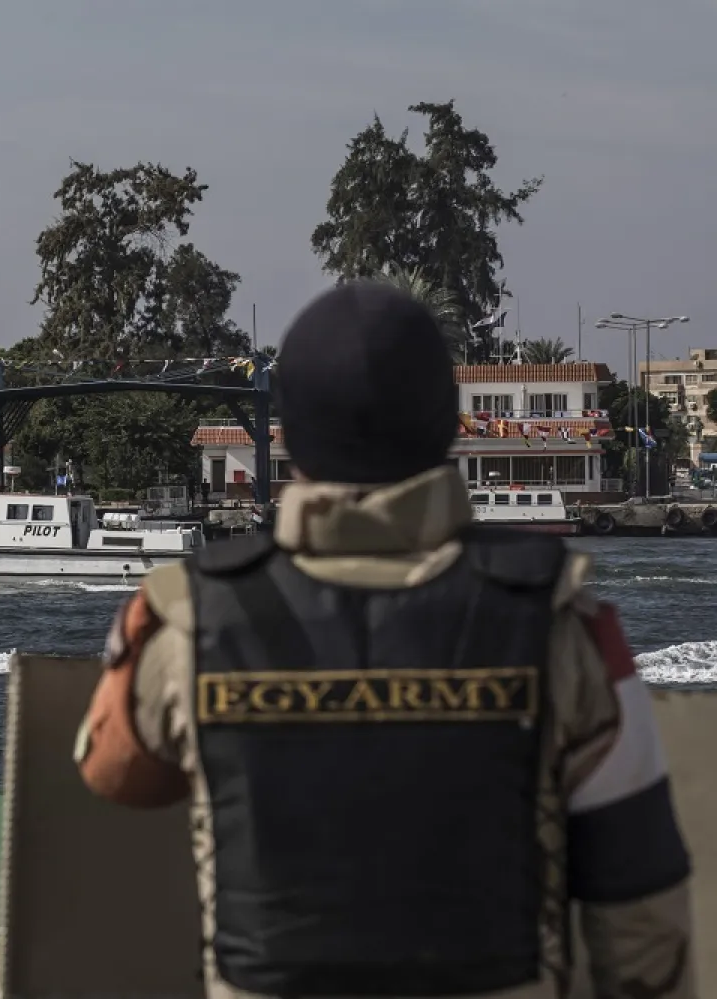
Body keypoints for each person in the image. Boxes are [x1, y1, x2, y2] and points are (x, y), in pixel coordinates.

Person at [74, 282, 694, 999]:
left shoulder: (190, 617)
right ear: (442, 428)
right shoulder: (562, 621)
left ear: (290, 435)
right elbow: (640, 902)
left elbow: (113, 773)